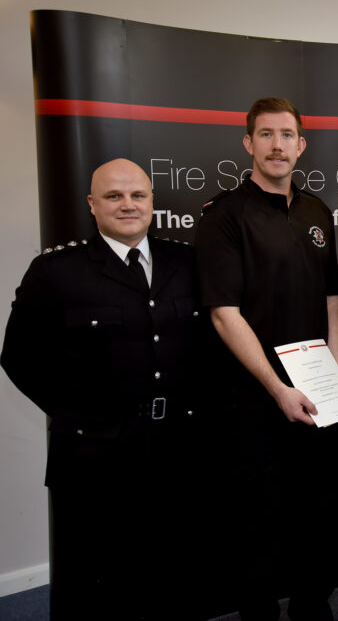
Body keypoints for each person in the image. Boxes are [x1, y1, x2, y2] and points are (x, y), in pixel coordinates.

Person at [0, 158, 207, 620]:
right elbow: (18, 357)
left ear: (153, 202)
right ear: (92, 205)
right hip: (94, 456)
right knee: (96, 581)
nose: (127, 205)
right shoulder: (55, 271)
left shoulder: (187, 261)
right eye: (114, 196)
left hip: (176, 447)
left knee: (173, 571)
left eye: (137, 195)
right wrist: (77, 415)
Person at [195, 97, 338, 621]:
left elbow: (332, 300)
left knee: (318, 510)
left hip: (316, 393)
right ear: (248, 144)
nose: (277, 145)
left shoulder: (317, 212)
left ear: (301, 145)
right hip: (254, 398)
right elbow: (224, 314)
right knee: (256, 519)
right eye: (265, 135)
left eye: (287, 135)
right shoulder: (224, 216)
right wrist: (276, 387)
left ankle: (313, 608)